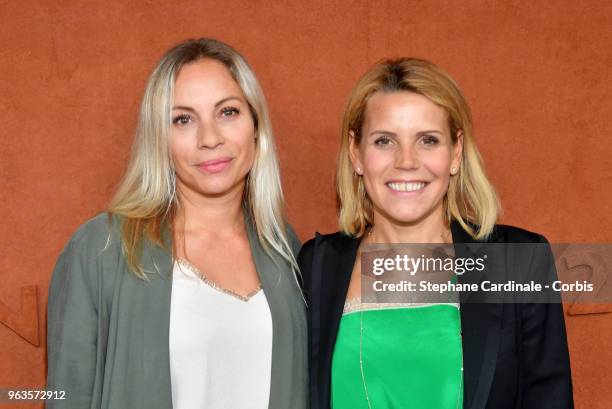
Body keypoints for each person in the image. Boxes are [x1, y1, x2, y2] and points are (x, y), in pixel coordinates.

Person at [46, 38, 307, 409]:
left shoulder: (283, 248)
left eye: (228, 112)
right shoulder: (100, 250)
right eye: (183, 119)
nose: (210, 139)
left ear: (256, 125)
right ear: (159, 138)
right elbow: (65, 394)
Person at [299, 58, 573, 409]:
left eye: (428, 140)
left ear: (456, 152)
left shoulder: (520, 261)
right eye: (385, 141)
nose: (407, 161)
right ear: (356, 153)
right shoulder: (315, 264)